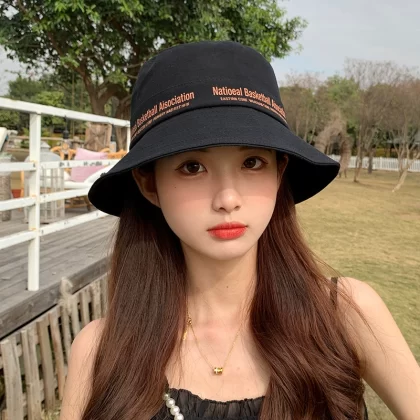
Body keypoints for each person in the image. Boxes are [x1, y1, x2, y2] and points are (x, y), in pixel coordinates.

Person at [59, 41, 420, 420]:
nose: (228, 198)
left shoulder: (345, 315)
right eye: (192, 167)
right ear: (149, 184)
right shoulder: (100, 352)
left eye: (252, 162)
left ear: (280, 171)